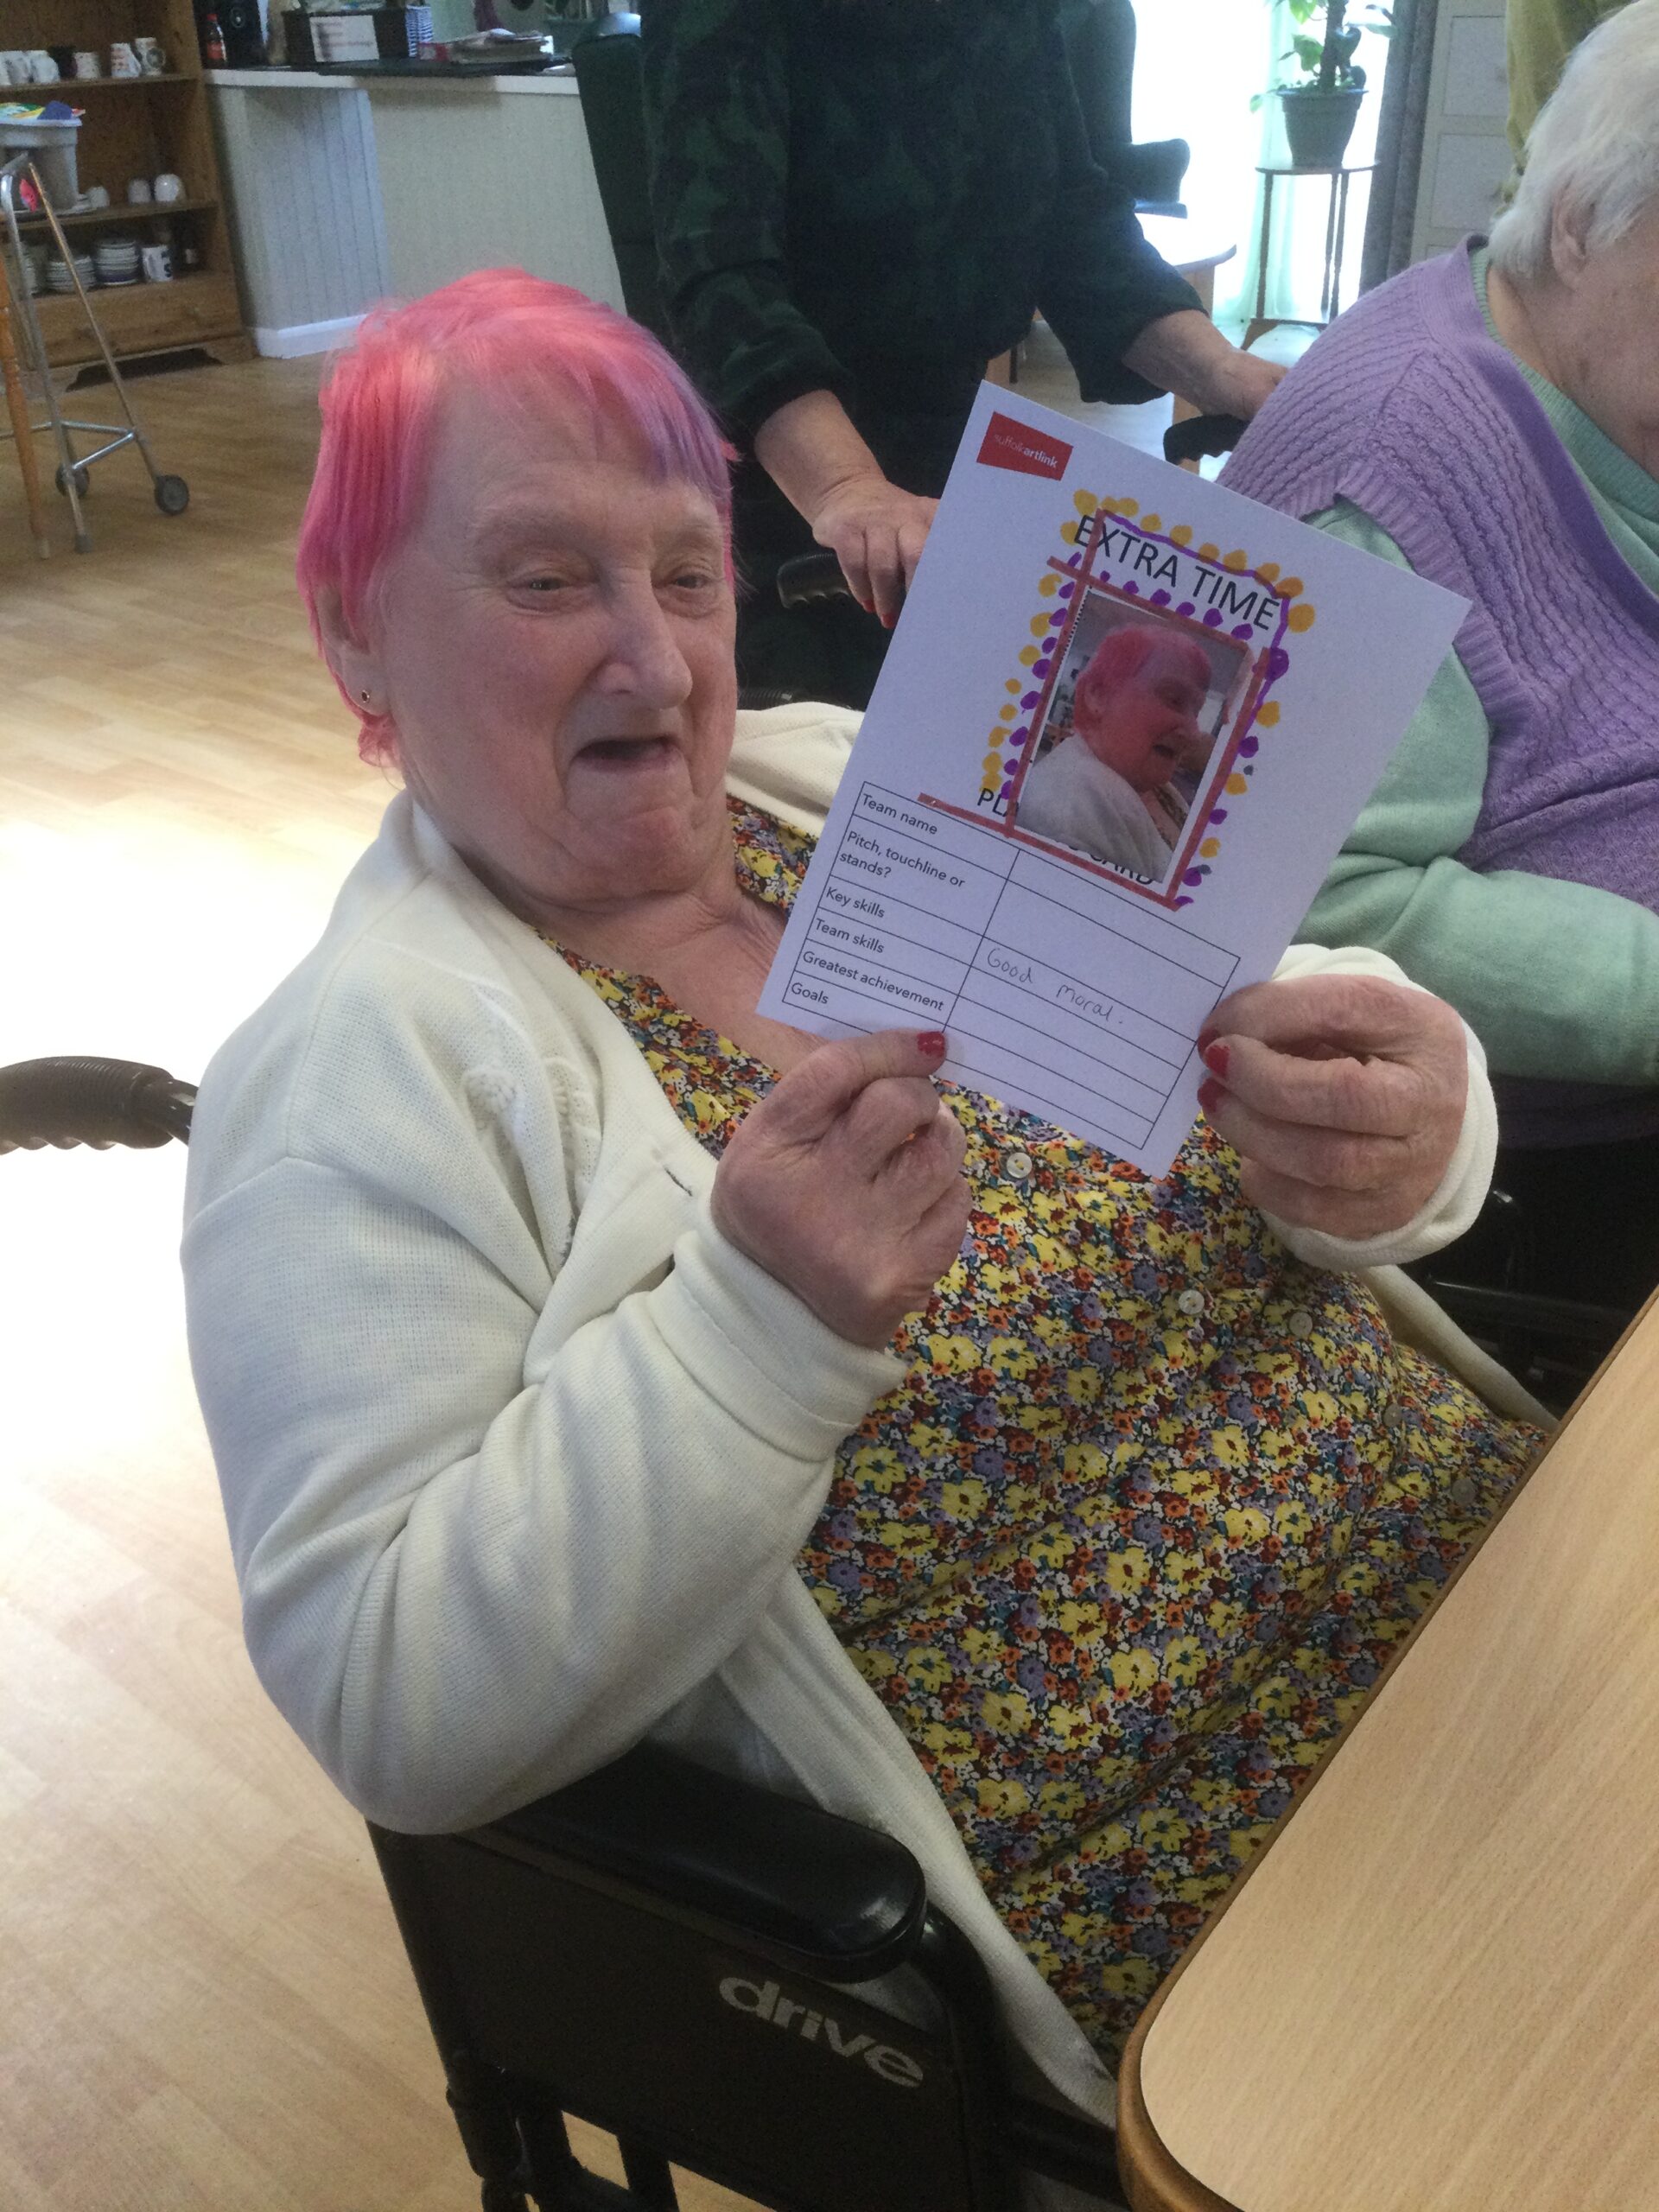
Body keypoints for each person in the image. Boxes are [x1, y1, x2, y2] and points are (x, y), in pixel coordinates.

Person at [181, 273, 1541, 2171]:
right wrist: (757, 1330)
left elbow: (1288, 993)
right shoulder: (356, 1083)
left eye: (684, 569)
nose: (657, 660)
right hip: (1207, 1861)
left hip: (1493, 1586)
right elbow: (387, 1687)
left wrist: (1416, 1119)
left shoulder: (828, 776)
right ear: (361, 635)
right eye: (547, 579)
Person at [1224, 0, 1659, 1312]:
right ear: (1581, 222)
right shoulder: (1385, 481)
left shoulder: (1588, 357)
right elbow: (1319, 897)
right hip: (1544, 1166)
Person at [639, 0, 1284, 708]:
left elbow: (1075, 218)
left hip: (954, 455)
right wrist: (846, 488)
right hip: (780, 482)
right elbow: (723, 277)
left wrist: (1221, 370)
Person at [1014, 626, 1212, 874]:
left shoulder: (1149, 785)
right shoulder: (1073, 803)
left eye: (1196, 711)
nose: (1194, 733)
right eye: (1173, 699)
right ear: (1098, 696)